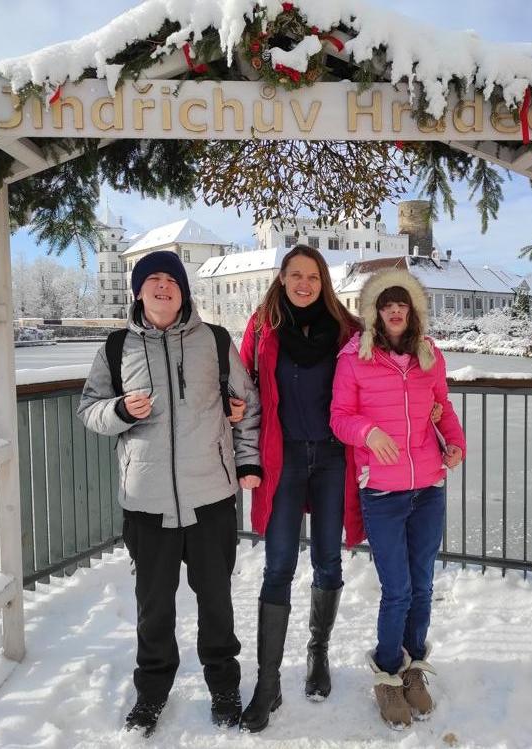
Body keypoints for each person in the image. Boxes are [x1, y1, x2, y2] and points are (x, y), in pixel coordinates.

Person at [77, 250, 262, 737]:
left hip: (211, 496)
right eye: (153, 280)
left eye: (172, 281)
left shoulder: (215, 341)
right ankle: (152, 692)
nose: (163, 287)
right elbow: (89, 410)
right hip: (147, 501)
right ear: (138, 291)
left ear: (184, 291)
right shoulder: (116, 348)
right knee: (153, 607)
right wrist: (120, 410)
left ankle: (223, 685)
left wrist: (248, 462)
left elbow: (247, 404)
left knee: (216, 601)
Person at [329, 268, 465, 730]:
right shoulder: (355, 358)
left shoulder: (430, 355)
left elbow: (442, 409)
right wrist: (367, 431)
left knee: (423, 586)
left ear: (412, 311)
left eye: (401, 304)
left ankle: (413, 668)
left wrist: (455, 443)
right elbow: (339, 417)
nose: (394, 311)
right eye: (386, 304)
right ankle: (388, 673)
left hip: (428, 487)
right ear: (374, 312)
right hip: (383, 491)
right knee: (399, 589)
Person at [237, 245, 362, 732]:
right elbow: (242, 388)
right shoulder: (262, 327)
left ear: (323, 282)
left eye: (313, 276)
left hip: (333, 457)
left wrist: (431, 407)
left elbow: (378, 380)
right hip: (282, 457)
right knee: (278, 566)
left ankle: (318, 652)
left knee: (328, 560)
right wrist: (231, 411)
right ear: (283, 278)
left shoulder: (348, 330)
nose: (304, 284)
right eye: (296, 275)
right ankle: (268, 682)